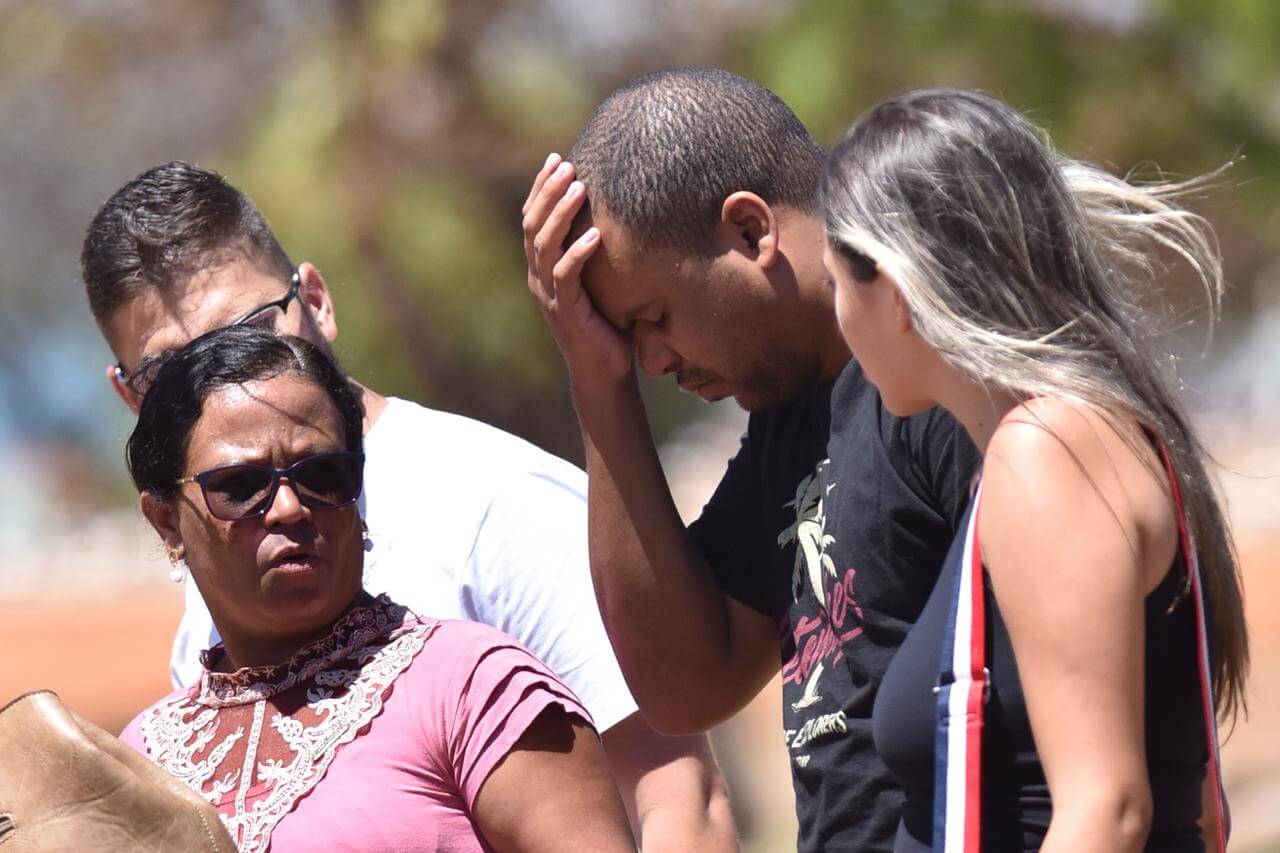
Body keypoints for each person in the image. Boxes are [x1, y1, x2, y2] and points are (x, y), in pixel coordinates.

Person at [80, 163, 732, 849]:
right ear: (131, 398)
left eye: (246, 329)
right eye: (167, 371)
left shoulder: (497, 504)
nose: (223, 376)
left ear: (317, 301)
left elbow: (683, 796)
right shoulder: (213, 601)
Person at [521, 68, 978, 850]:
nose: (655, 362)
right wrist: (598, 383)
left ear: (749, 231)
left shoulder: (944, 380)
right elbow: (685, 686)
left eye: (654, 318)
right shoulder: (789, 421)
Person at [820, 89, 1249, 850]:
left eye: (836, 285)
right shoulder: (1057, 440)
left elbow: (1105, 808)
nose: (837, 316)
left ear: (894, 289)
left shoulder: (1049, 447)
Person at [118, 325, 635, 852]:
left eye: (323, 476)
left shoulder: (473, 685)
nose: (291, 507)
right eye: (241, 486)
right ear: (166, 522)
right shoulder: (139, 759)